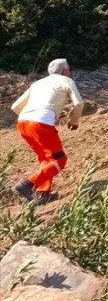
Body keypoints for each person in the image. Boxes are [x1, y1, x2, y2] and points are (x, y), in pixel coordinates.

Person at [10, 58, 84, 203]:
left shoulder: (37, 83)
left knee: (46, 159)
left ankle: (42, 194)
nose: (69, 71)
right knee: (59, 160)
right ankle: (27, 185)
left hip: (23, 123)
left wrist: (30, 118)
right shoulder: (66, 81)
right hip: (41, 124)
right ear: (64, 71)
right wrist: (74, 121)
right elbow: (79, 103)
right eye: (68, 68)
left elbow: (15, 107)